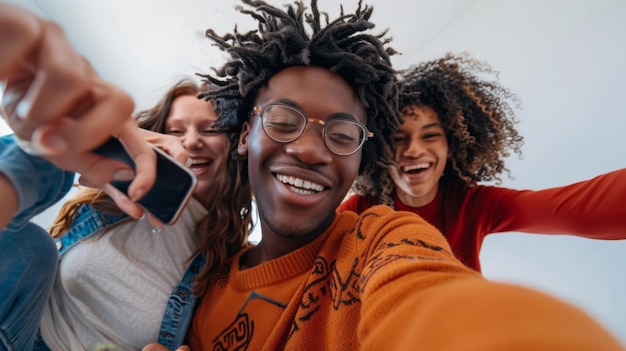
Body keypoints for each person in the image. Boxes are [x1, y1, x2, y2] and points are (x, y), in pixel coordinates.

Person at [145, 1, 623, 350]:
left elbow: (426, 298)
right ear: (245, 131)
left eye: (342, 132)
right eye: (284, 121)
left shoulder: (378, 233)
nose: (310, 148)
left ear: (360, 155)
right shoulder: (199, 288)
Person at [1, 78, 253, 350]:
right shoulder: (109, 202)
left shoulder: (228, 265)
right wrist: (86, 144)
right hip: (21, 336)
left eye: (210, 129)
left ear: (235, 144)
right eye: (176, 130)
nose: (191, 141)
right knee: (35, 244)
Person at [337, 52, 626, 271]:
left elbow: (570, 209)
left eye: (430, 135)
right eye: (399, 138)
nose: (414, 149)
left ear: (451, 145)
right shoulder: (358, 212)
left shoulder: (471, 204)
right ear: (379, 150)